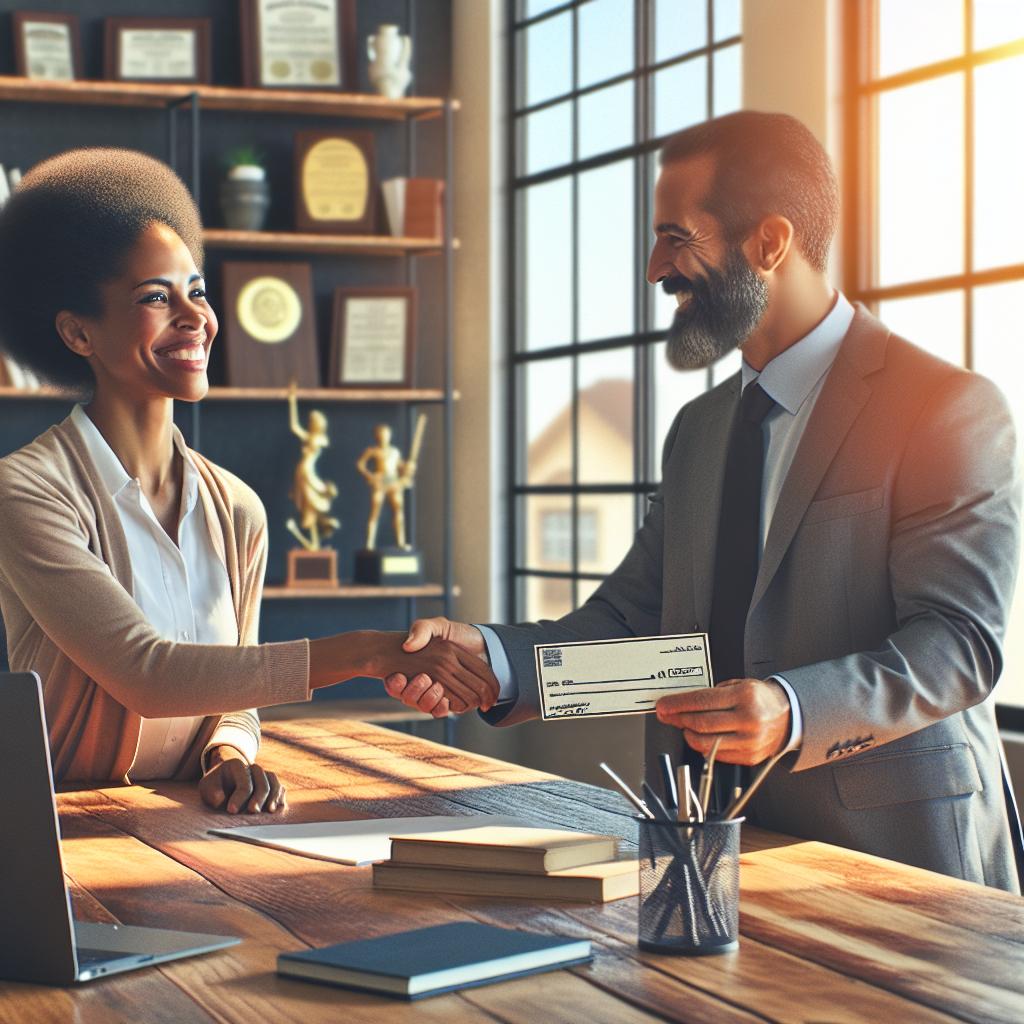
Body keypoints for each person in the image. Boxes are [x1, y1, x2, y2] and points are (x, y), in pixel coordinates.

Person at [385, 111, 1024, 892]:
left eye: (676, 238)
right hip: (705, 860)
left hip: (900, 869)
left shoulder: (947, 407)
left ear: (769, 243)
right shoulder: (700, 429)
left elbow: (960, 644)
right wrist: (498, 663)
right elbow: (639, 631)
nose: (656, 269)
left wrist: (790, 709)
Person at [0, 149, 499, 814]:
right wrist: (368, 652)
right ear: (77, 331)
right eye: (155, 296)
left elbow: (233, 694)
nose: (194, 317)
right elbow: (146, 674)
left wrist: (227, 754)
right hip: (63, 831)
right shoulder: (25, 491)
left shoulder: (237, 509)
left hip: (188, 825)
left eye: (197, 291)